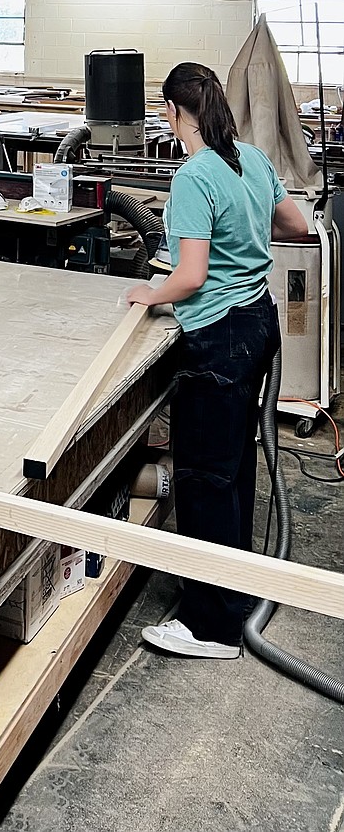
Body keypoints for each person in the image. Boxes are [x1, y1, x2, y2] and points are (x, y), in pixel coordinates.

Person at [127, 62, 307, 659]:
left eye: (165, 112)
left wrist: (152, 292)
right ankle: (237, 587)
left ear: (177, 113)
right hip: (258, 321)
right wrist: (250, 225)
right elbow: (296, 222)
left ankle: (211, 626)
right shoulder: (251, 158)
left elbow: (192, 276)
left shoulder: (193, 176)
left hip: (219, 336)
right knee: (234, 466)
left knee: (204, 477)